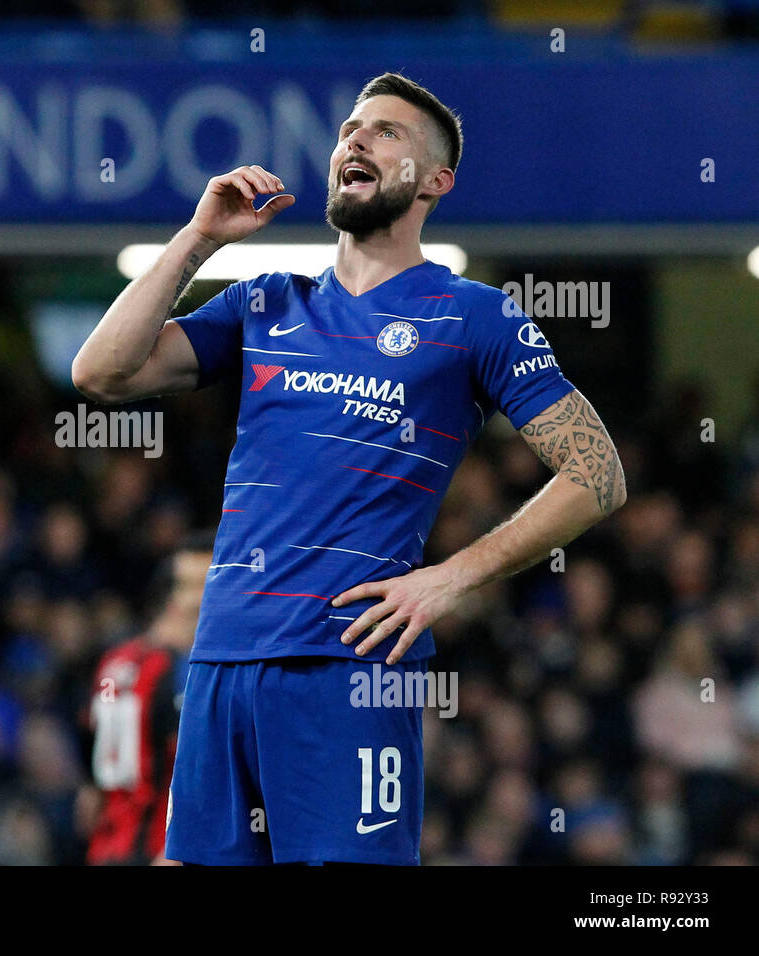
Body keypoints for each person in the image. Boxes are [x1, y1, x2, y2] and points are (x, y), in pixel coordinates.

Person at [71, 72, 626, 865]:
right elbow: (102, 374)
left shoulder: (474, 315)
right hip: (221, 661)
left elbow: (598, 472)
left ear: (437, 181)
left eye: (387, 132)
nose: (355, 140)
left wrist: (452, 578)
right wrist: (199, 240)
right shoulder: (265, 301)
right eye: (350, 130)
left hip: (349, 669)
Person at [85, 532, 215, 865]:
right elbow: (199, 769)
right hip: (159, 851)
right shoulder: (178, 671)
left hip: (106, 848)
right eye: (200, 586)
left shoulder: (114, 661)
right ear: (174, 597)